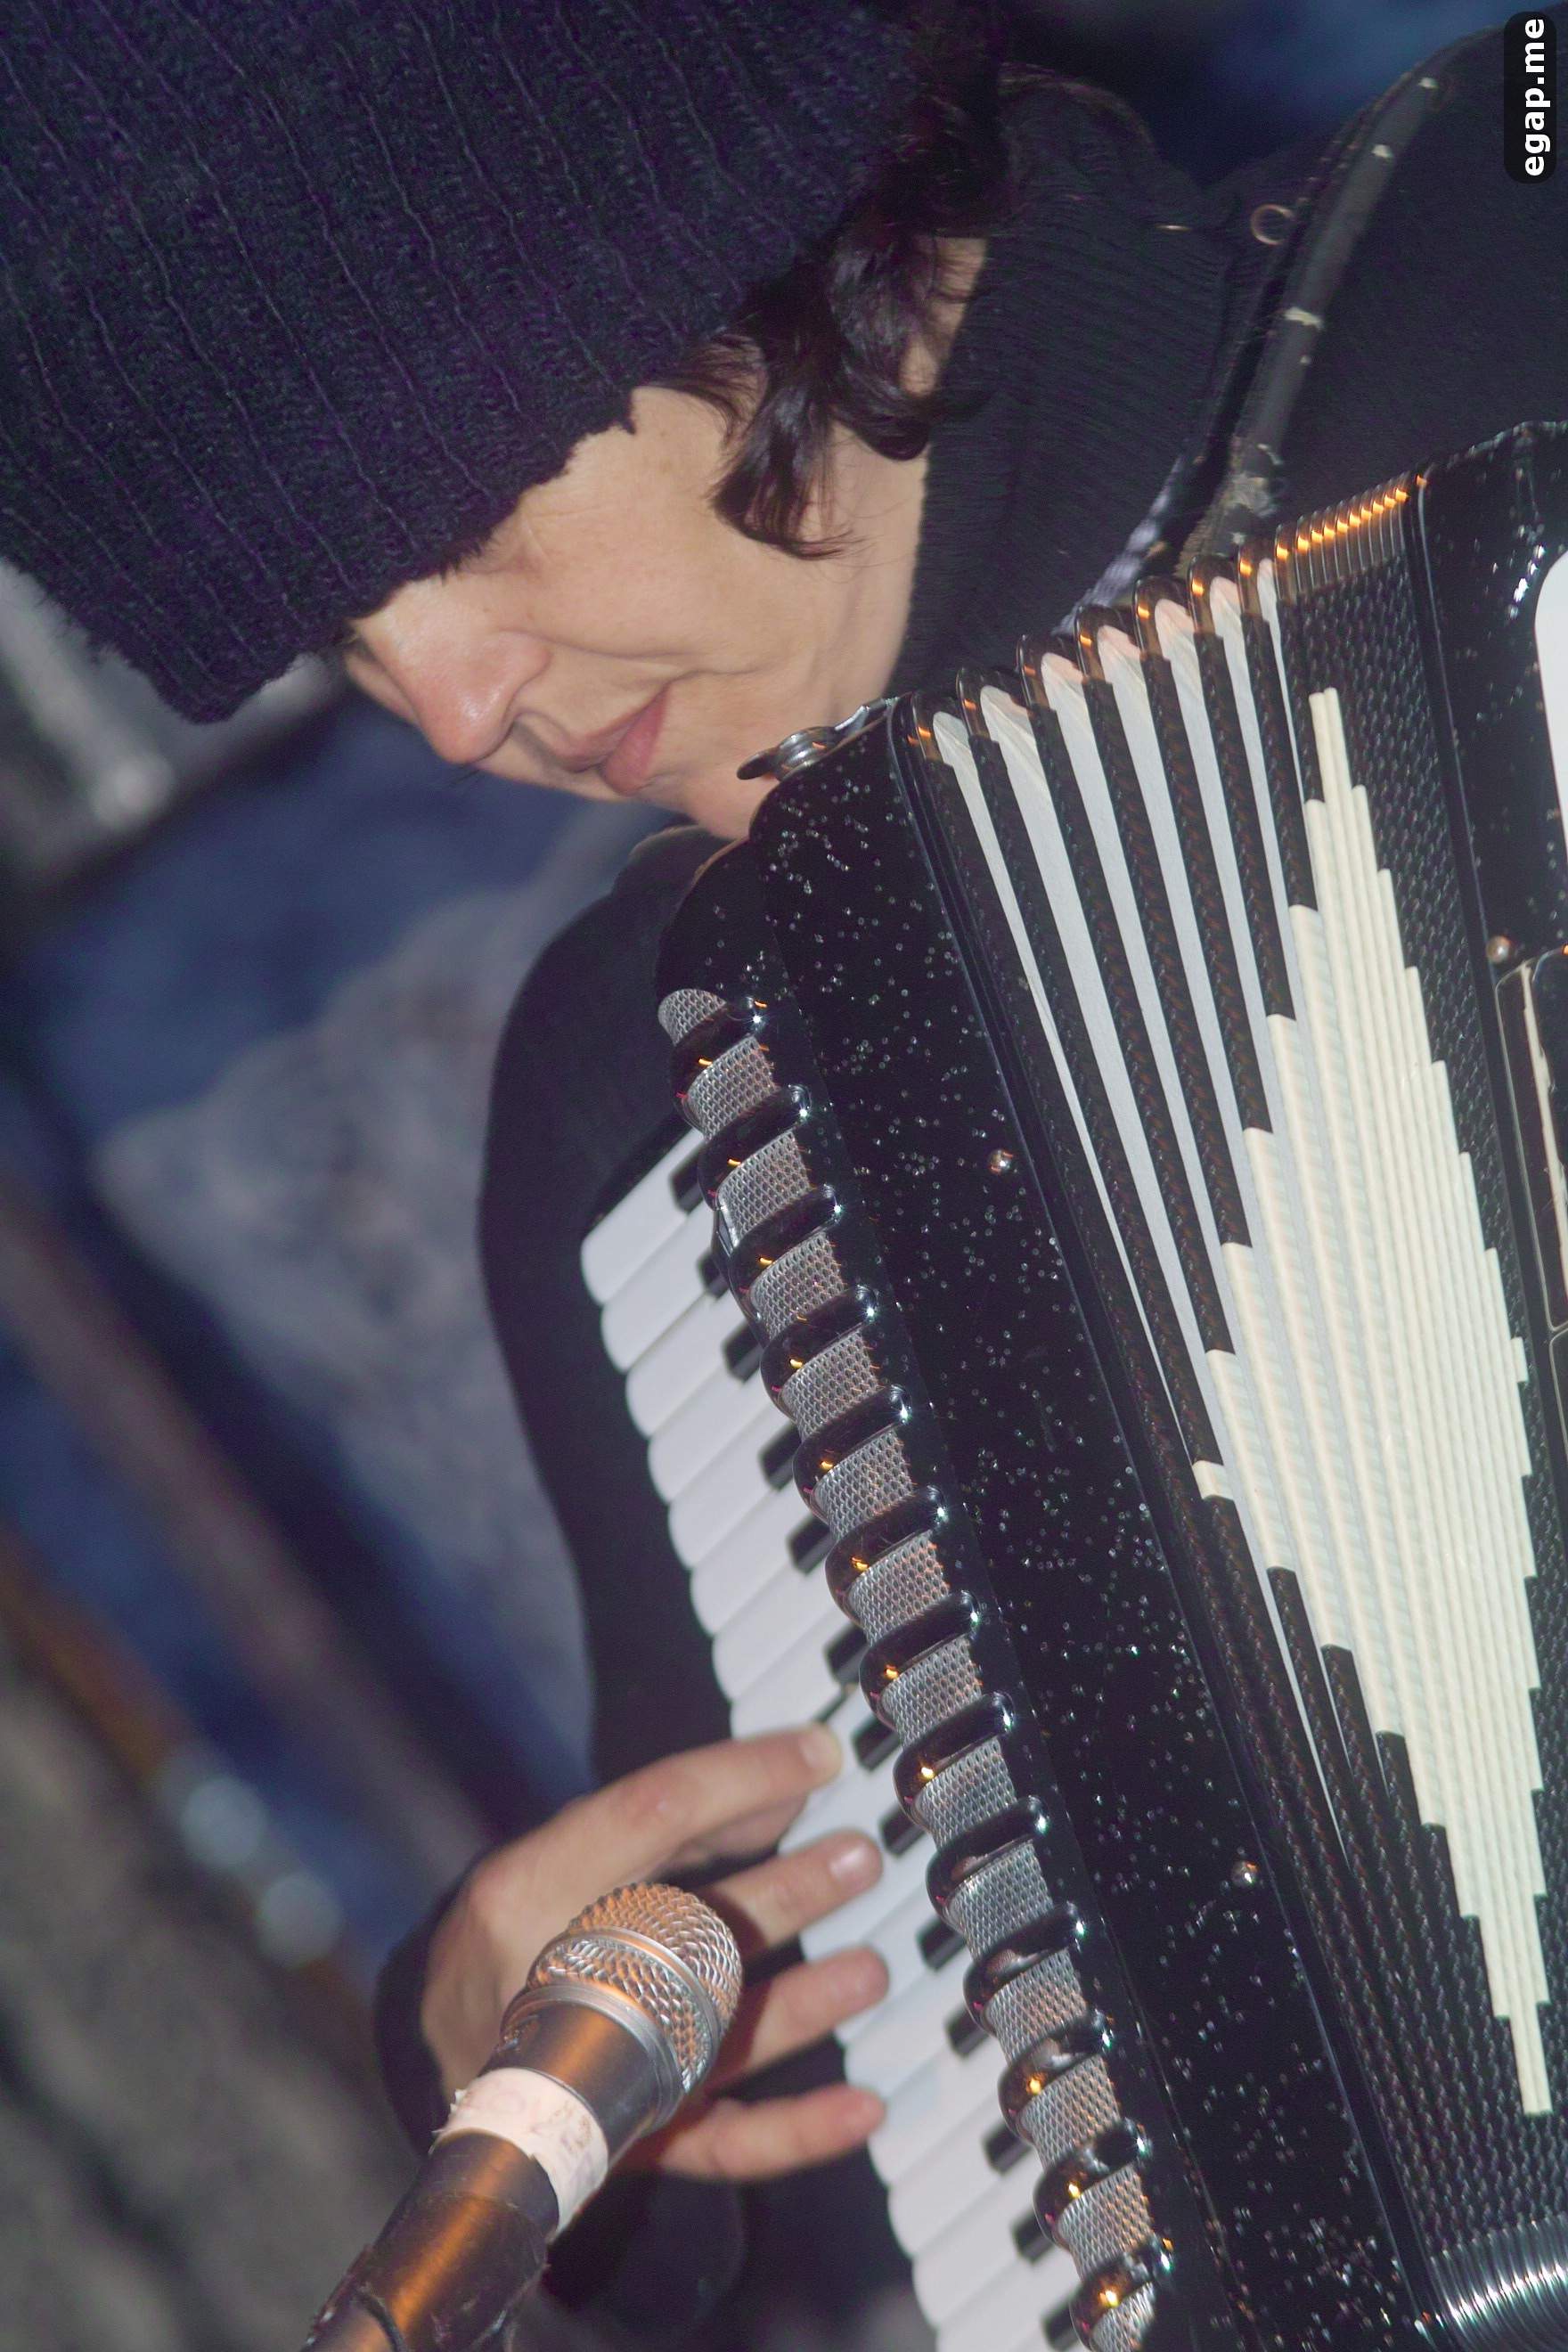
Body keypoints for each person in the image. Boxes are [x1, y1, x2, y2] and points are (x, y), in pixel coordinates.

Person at [5, 1, 1566, 2340]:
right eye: (341, 626)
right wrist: (531, 2052)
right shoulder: (646, 1107)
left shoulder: (1513, 260)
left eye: (446, 514)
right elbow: (896, 2149)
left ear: (728, 209)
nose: (451, 707)